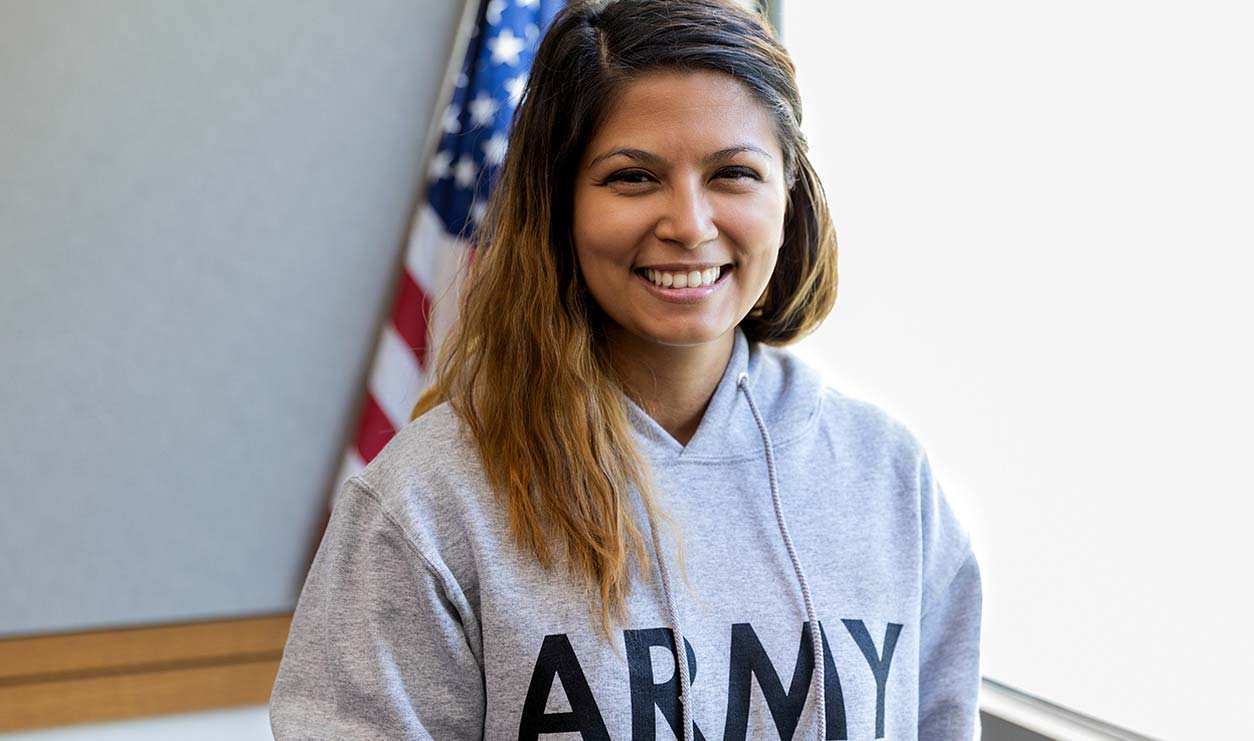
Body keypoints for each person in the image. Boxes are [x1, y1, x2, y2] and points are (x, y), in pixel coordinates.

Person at [269, 0, 982, 738]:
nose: (689, 224)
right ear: (559, 202)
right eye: (634, 177)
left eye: (734, 173)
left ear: (790, 193)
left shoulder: (891, 479)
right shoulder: (427, 501)